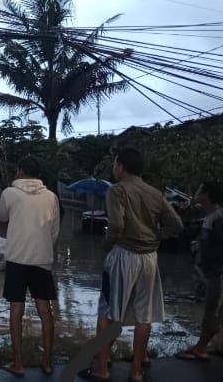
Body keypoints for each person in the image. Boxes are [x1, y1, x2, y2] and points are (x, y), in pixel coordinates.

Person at [79, 148, 183, 382]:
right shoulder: (154, 193)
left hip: (124, 255)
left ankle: (101, 368)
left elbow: (116, 226)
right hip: (150, 257)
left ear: (121, 167)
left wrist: (106, 246)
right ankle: (136, 372)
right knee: (144, 315)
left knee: (108, 312)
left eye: (115, 164)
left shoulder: (117, 190)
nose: (113, 168)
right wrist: (156, 237)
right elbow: (176, 225)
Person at [0, 155, 61, 377]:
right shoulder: (51, 197)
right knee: (45, 310)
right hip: (42, 259)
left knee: (16, 310)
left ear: (20, 172)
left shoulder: (10, 193)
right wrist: (43, 247)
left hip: (17, 259)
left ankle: (18, 363)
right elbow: (54, 231)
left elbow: (1, 216)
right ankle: (48, 362)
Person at [175, 182, 223, 361]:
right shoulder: (210, 214)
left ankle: (200, 349)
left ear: (207, 195)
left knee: (214, 310)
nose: (196, 193)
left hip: (221, 271)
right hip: (216, 270)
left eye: (200, 190)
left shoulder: (220, 216)